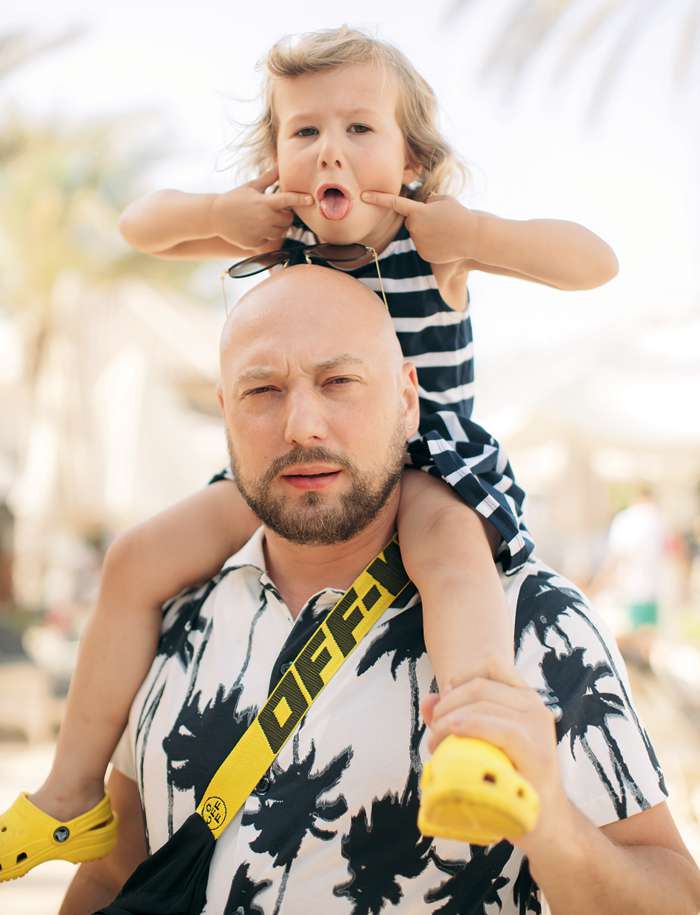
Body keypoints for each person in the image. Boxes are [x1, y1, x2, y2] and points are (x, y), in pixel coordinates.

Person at [0, 25, 622, 876]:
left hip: (427, 462)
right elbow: (136, 225)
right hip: (292, 465)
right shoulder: (274, 235)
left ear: (411, 158)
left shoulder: (433, 243)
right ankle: (71, 797)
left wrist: (476, 232)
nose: (331, 149)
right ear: (276, 159)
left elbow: (595, 263)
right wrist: (220, 215)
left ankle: (474, 753)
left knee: (452, 552)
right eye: (305, 131)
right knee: (136, 556)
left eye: (359, 128)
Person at [57, 265, 700, 914]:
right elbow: (113, 879)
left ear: (407, 400)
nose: (302, 425)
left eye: (338, 381)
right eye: (263, 389)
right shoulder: (172, 616)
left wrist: (551, 822)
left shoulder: (533, 620)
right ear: (226, 413)